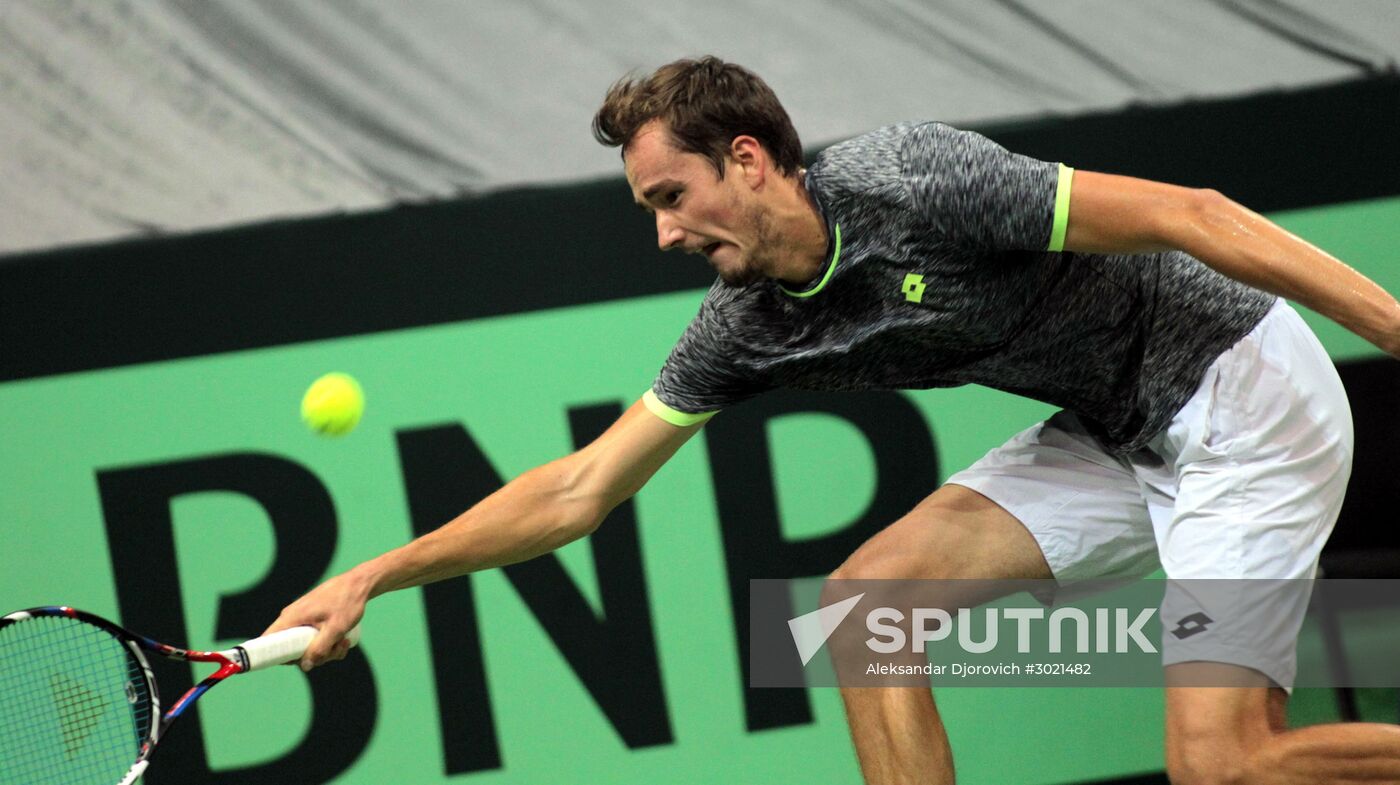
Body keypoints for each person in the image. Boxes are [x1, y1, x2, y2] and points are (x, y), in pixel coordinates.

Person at [266, 56, 1400, 784]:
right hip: (1110, 426)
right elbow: (579, 490)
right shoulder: (744, 325)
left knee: (1223, 767)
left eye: (671, 198)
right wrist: (374, 571)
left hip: (1240, 394)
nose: (663, 234)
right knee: (865, 611)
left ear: (747, 160)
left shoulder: (919, 182)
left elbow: (1191, 213)